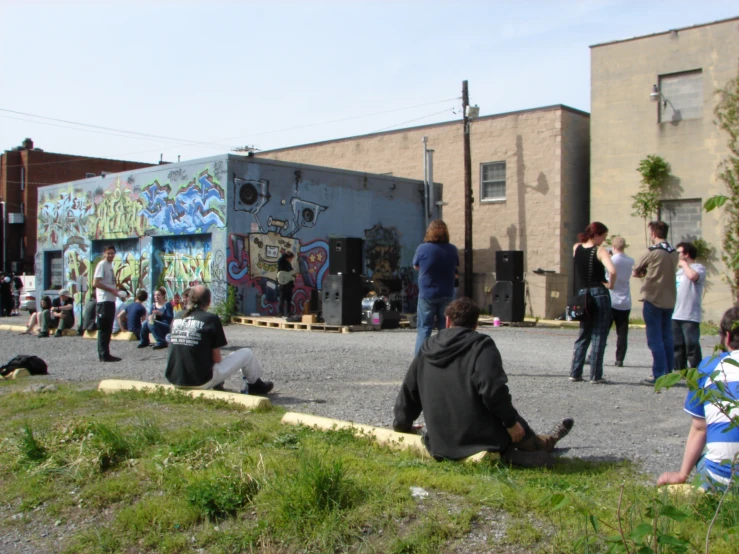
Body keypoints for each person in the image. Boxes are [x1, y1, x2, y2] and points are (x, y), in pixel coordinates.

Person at [393, 297, 574, 468]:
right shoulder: (481, 346)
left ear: (447, 321)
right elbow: (493, 391)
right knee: (513, 421)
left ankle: (540, 443)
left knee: (508, 416)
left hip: (439, 444)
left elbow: (409, 392)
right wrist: (511, 423)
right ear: (476, 324)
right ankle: (540, 445)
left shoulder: (427, 348)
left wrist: (402, 425)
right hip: (478, 440)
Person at [657, 307, 739, 492]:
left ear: (726, 337)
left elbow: (700, 427)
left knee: (704, 461)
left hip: (722, 478)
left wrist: (682, 474)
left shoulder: (709, 366)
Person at [165, 285, 274, 394]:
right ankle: (255, 385)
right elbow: (216, 359)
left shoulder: (177, 317)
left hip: (174, 380)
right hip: (200, 382)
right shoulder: (210, 319)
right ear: (209, 301)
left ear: (188, 299)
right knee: (247, 353)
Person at [632, 221, 679, 386]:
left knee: (655, 340)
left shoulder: (653, 251)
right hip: (670, 299)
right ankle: (669, 373)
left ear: (653, 233)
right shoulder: (674, 252)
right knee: (667, 337)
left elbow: (636, 270)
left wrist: (643, 272)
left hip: (653, 298)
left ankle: (658, 375)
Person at [569, 222, 616, 384]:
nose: (603, 240)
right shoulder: (600, 251)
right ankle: (595, 375)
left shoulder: (576, 248)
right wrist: (611, 284)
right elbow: (612, 270)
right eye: (603, 236)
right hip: (598, 293)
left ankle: (575, 372)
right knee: (599, 334)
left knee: (584, 334)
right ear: (596, 235)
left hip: (583, 294)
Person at [413, 220, 459, 354]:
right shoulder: (452, 249)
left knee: (424, 328)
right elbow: (455, 267)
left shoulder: (422, 248)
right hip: (447, 292)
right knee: (445, 328)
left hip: (427, 293)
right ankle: (445, 358)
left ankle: (419, 361)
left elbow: (416, 266)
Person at [672, 242, 706, 370]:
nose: (677, 255)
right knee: (677, 345)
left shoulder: (698, 268)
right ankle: (680, 371)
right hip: (675, 313)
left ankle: (697, 370)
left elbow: (693, 276)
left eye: (679, 252)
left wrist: (684, 264)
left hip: (689, 314)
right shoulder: (679, 272)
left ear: (686, 254)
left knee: (691, 345)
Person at [93, 244, 127, 362]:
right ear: (104, 253)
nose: (110, 255)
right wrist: (112, 290)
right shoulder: (101, 265)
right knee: (104, 328)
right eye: (108, 253)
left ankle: (106, 353)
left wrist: (116, 291)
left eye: (112, 253)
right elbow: (96, 283)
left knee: (108, 328)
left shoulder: (110, 266)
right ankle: (103, 354)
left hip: (110, 299)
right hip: (103, 301)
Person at [609, 237, 634, 367]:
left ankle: (596, 355)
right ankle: (620, 358)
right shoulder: (630, 261)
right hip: (625, 300)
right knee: (622, 332)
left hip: (611, 299)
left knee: (604, 330)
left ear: (613, 247)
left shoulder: (611, 260)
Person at [277, 251, 295, 317]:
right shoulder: (281, 262)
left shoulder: (289, 264)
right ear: (287, 257)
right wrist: (285, 254)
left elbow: (291, 273)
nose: (291, 260)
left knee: (288, 300)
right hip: (282, 283)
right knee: (282, 299)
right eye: (291, 258)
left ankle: (288, 313)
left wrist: (295, 275)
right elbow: (280, 259)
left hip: (289, 284)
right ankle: (280, 313)